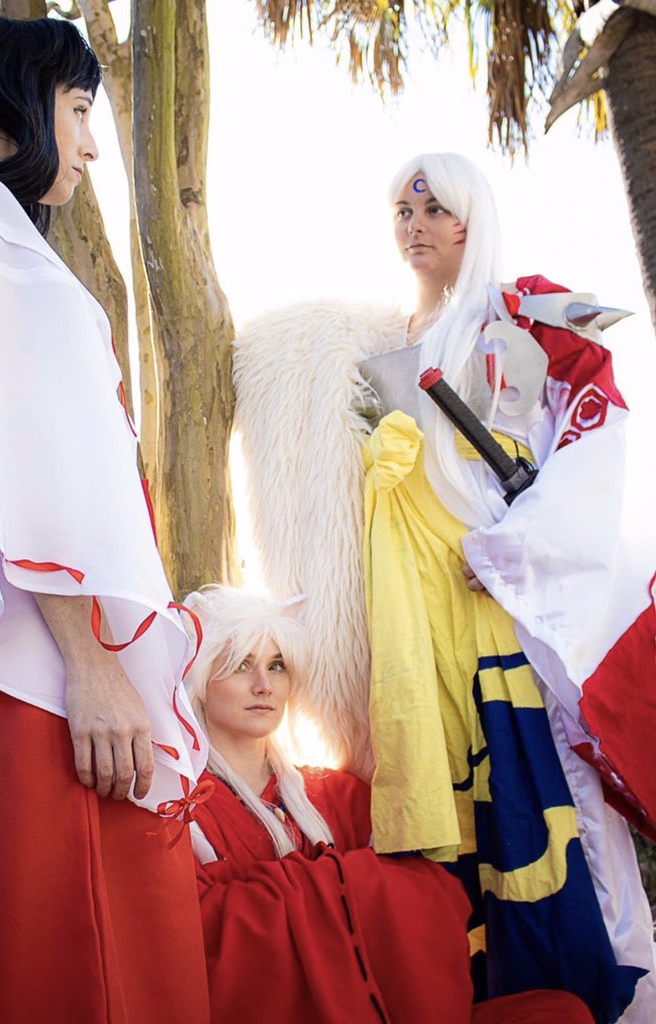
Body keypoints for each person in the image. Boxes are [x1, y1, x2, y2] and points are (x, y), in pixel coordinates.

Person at [233, 152, 656, 1022]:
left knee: (548, 793)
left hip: (504, 598)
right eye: (403, 210)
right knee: (450, 804)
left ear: (473, 219)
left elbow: (592, 442)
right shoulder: (372, 348)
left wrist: (515, 551)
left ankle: (596, 998)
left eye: (436, 210)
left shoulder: (528, 318)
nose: (416, 226)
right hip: (412, 608)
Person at [0, 17, 209, 1024]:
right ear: (14, 99)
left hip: (8, 614)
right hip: (31, 631)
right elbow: (8, 453)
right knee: (81, 937)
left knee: (40, 927)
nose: (93, 144)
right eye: (79, 109)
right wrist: (91, 661)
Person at [181, 584, 594, 1024]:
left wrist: (316, 889)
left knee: (563, 1014)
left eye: (276, 665)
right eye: (241, 665)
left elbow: (433, 898)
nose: (264, 685)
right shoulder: (183, 811)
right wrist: (344, 884)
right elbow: (194, 937)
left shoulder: (337, 794)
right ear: (200, 682)